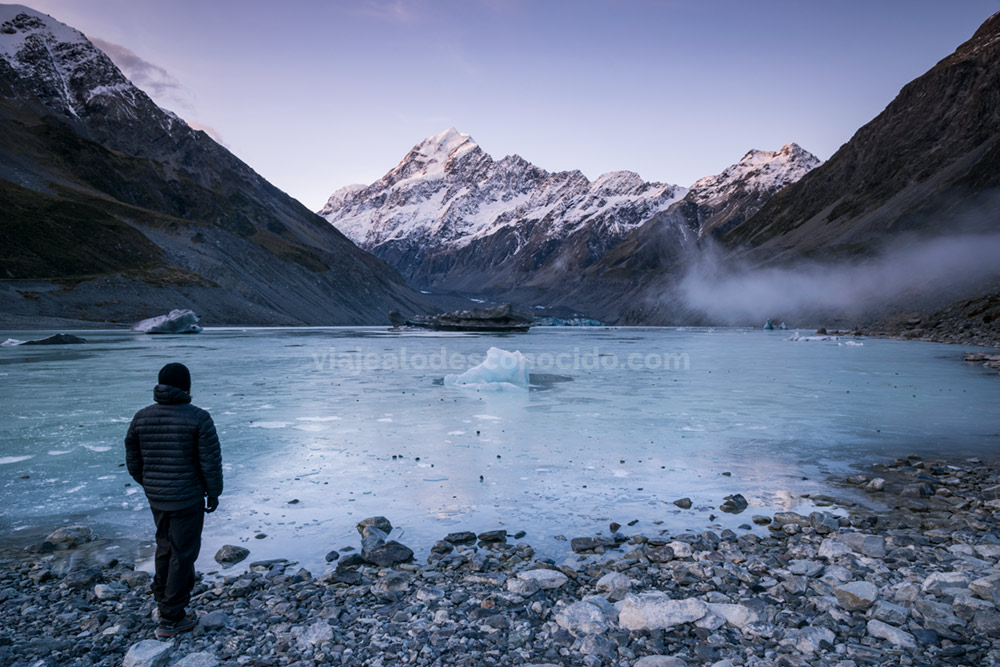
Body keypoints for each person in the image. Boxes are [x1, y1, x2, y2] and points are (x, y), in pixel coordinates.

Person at [125, 362, 223, 638]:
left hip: (158, 497)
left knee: (165, 545)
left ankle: (162, 598)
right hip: (187, 497)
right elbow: (210, 462)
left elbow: (132, 457)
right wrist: (213, 492)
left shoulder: (142, 417)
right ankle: (172, 617)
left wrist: (149, 483)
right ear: (186, 386)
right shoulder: (198, 418)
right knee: (183, 553)